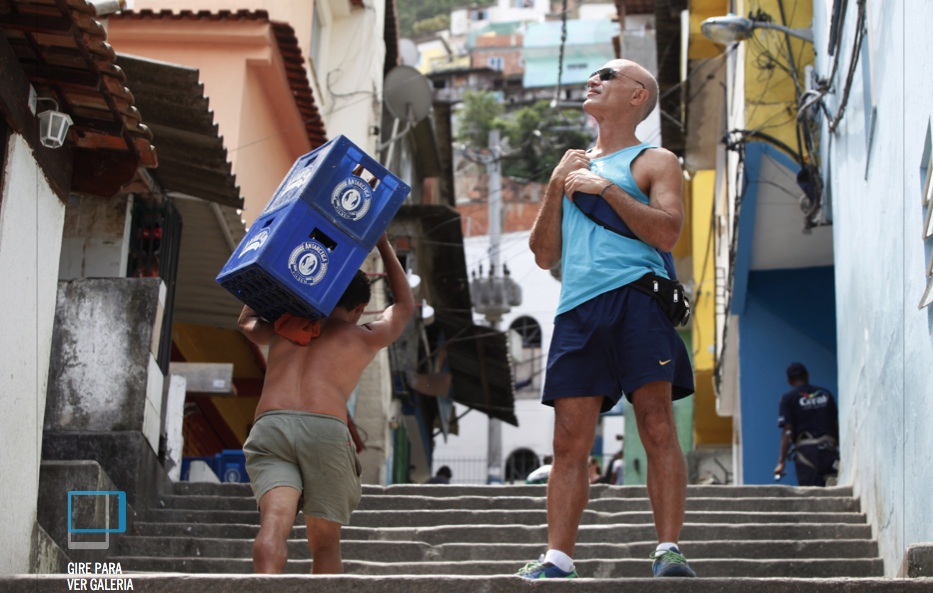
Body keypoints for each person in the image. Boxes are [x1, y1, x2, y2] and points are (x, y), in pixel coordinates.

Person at [517, 59, 696, 580]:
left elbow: (666, 234)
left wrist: (607, 191)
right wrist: (557, 184)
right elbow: (544, 254)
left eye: (607, 75)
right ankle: (558, 559)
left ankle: (668, 550)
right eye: (593, 75)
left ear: (638, 95)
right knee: (567, 440)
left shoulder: (655, 160)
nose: (594, 80)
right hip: (577, 310)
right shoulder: (570, 166)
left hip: (637, 300)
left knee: (656, 423)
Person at [238, 233, 414, 574]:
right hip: (324, 430)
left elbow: (245, 321)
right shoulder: (362, 337)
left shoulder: (284, 327)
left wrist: (276, 268)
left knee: (273, 527)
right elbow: (404, 307)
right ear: (360, 308)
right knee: (325, 542)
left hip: (271, 426)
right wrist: (383, 246)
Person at [774, 362, 839, 486]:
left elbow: (788, 430)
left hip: (807, 454)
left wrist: (781, 461)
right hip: (830, 451)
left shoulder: (788, 398)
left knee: (812, 495)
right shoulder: (825, 394)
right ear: (807, 375)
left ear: (790, 381)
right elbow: (836, 423)